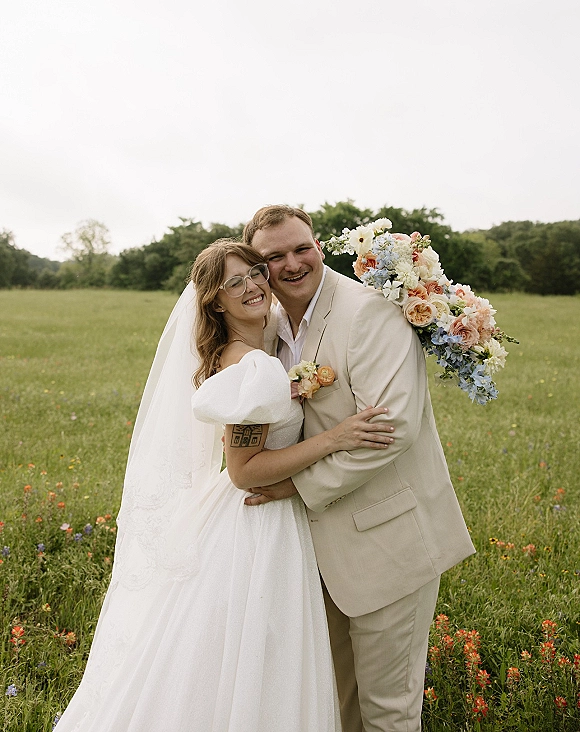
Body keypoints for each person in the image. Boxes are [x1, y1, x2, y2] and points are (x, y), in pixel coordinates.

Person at [54, 239, 396, 732]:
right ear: (215, 299)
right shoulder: (251, 366)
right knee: (255, 654)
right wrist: (335, 439)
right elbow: (244, 470)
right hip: (257, 524)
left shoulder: (257, 351)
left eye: (256, 272)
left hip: (261, 518)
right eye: (234, 282)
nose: (254, 285)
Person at [243, 205, 476, 732]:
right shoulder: (273, 326)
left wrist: (294, 487)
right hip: (311, 555)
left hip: (387, 542)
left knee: (388, 712)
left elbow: (390, 430)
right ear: (258, 269)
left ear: (318, 245)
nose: (293, 263)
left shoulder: (366, 312)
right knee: (336, 704)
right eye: (273, 256)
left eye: (302, 247)